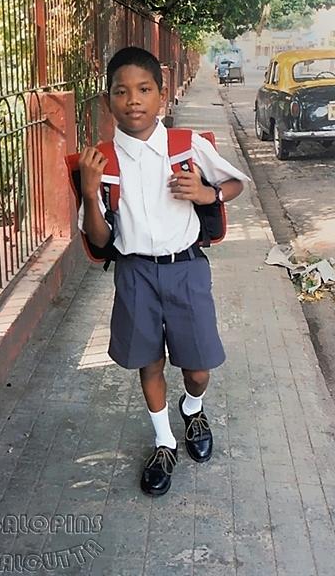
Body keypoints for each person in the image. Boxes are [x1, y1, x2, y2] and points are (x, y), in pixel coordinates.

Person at [77, 46, 248, 496]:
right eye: (121, 91)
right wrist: (90, 192)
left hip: (186, 270)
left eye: (144, 89)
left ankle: (192, 408)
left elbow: (235, 183)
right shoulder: (100, 161)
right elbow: (98, 239)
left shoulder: (186, 145)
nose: (133, 99)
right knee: (149, 362)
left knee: (198, 367)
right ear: (108, 100)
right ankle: (164, 441)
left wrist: (207, 194)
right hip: (135, 274)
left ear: (161, 93)